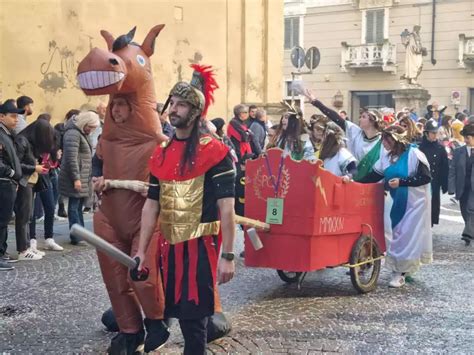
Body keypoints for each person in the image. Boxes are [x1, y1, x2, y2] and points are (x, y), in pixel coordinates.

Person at [135, 66, 236, 355]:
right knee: (180, 314)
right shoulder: (162, 152)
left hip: (201, 246)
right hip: (169, 248)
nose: (174, 109)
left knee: (194, 324)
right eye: (173, 103)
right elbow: (151, 205)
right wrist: (141, 251)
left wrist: (228, 255)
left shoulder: (215, 152)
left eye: (182, 104)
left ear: (195, 111)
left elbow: (226, 209)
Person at [360, 126, 432, 288]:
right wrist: (354, 183)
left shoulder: (414, 154)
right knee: (398, 233)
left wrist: (402, 182)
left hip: (415, 204)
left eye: (388, 139)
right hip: (396, 202)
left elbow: (425, 177)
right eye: (383, 139)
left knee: (405, 236)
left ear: (397, 140)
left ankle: (400, 272)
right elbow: (374, 176)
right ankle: (404, 268)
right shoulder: (386, 157)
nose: (384, 143)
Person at [305, 90, 383, 181]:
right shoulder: (356, 132)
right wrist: (316, 102)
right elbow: (336, 118)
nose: (359, 119)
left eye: (363, 117)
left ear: (372, 121)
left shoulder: (382, 142)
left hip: (374, 185)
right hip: (354, 182)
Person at [59, 111, 100, 245]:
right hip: (76, 176)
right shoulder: (73, 134)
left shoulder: (80, 132)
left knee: (77, 206)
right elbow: (71, 158)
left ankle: (81, 234)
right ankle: (76, 236)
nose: (92, 130)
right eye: (91, 127)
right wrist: (76, 178)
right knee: (74, 206)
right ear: (84, 123)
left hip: (82, 175)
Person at [0, 100, 22, 270]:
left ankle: (2, 251)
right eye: (13, 116)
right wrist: (11, 173)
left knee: (5, 219)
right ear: (1, 116)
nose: (16, 119)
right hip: (3, 182)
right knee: (1, 220)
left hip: (9, 182)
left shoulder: (7, 133)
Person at [227, 104, 260, 216]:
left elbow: (250, 136)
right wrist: (247, 134)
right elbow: (244, 137)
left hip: (245, 156)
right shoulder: (234, 123)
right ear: (239, 114)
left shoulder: (241, 124)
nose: (247, 114)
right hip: (239, 158)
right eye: (245, 112)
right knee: (240, 184)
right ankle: (238, 212)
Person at [418, 120, 449, 226]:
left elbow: (445, 167)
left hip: (434, 181)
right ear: (426, 133)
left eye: (436, 133)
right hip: (421, 182)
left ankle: (430, 224)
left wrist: (445, 184)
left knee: (433, 204)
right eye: (433, 133)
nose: (435, 135)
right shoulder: (420, 147)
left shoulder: (440, 148)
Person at [448, 123, 474, 246]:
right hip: (462, 187)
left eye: (468, 138)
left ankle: (468, 234)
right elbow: (452, 170)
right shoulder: (459, 152)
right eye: (465, 138)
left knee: (471, 209)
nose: (465, 140)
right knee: (464, 211)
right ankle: (469, 229)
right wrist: (451, 188)